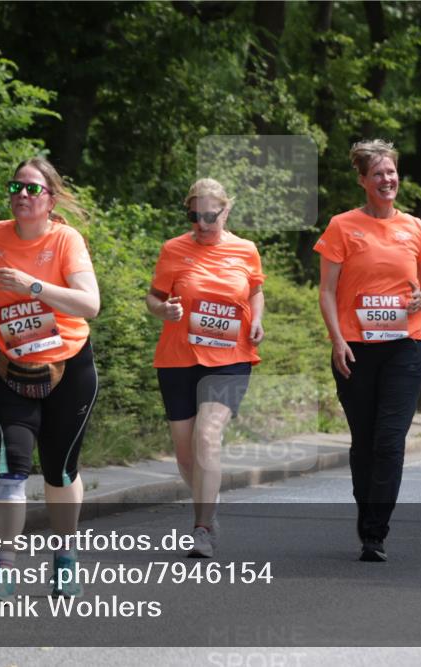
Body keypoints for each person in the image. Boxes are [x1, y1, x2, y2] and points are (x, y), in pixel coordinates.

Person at [0, 157, 100, 599]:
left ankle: (65, 560)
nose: (22, 195)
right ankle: (2, 569)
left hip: (68, 367)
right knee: (9, 467)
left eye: (32, 189)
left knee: (60, 471)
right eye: (16, 187)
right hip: (4, 365)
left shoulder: (66, 240)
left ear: (50, 199)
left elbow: (89, 304)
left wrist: (33, 286)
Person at [314, 140, 421, 562]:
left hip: (406, 347)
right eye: (378, 174)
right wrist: (336, 340)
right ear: (363, 180)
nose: (387, 180)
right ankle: (367, 513)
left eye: (391, 172)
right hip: (356, 349)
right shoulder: (342, 226)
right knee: (364, 443)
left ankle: (375, 533)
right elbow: (327, 290)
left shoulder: (416, 229)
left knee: (390, 441)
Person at [145, 178, 265, 558]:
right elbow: (154, 297)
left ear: (226, 211)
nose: (201, 223)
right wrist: (163, 309)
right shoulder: (173, 249)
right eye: (194, 215)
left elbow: (255, 290)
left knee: (208, 437)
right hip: (178, 357)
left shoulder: (246, 250)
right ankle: (208, 511)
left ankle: (200, 529)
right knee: (185, 455)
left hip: (230, 358)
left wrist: (258, 319)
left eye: (210, 216)